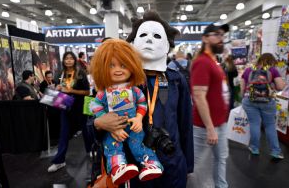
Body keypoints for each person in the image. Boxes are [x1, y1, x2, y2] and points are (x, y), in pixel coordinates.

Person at [93, 11, 193, 188]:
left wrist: (188, 164)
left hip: (171, 163)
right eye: (143, 35)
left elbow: (185, 124)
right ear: (133, 42)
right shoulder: (114, 79)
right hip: (133, 168)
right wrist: (99, 123)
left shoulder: (176, 80)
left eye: (156, 36)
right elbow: (90, 117)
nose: (149, 40)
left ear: (167, 44)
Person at [90, 39, 163, 185]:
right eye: (111, 65)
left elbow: (142, 103)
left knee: (139, 145)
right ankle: (117, 167)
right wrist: (101, 122)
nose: (118, 70)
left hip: (134, 127)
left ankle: (150, 163)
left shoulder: (137, 89)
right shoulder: (99, 92)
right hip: (112, 133)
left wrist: (138, 118)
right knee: (113, 146)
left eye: (123, 65)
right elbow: (93, 108)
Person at [190, 23, 230, 188]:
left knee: (221, 159)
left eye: (222, 35)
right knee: (192, 165)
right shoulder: (202, 62)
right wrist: (210, 127)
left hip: (220, 123)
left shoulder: (214, 62)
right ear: (205, 38)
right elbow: (199, 96)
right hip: (205, 126)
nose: (221, 38)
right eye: (216, 34)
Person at [47, 51, 91, 172]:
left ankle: (90, 150)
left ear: (75, 60)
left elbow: (87, 92)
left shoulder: (80, 73)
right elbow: (59, 89)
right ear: (63, 60)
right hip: (65, 106)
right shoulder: (60, 73)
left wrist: (71, 90)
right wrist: (57, 89)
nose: (69, 60)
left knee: (85, 130)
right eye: (66, 58)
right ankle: (59, 160)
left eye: (71, 58)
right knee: (64, 133)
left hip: (79, 106)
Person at [241, 53, 285, 159]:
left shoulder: (248, 70)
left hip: (250, 100)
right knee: (269, 125)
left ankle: (254, 148)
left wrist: (243, 97)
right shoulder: (273, 70)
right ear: (272, 61)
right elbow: (280, 87)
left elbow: (242, 87)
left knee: (254, 124)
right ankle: (275, 151)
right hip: (267, 101)